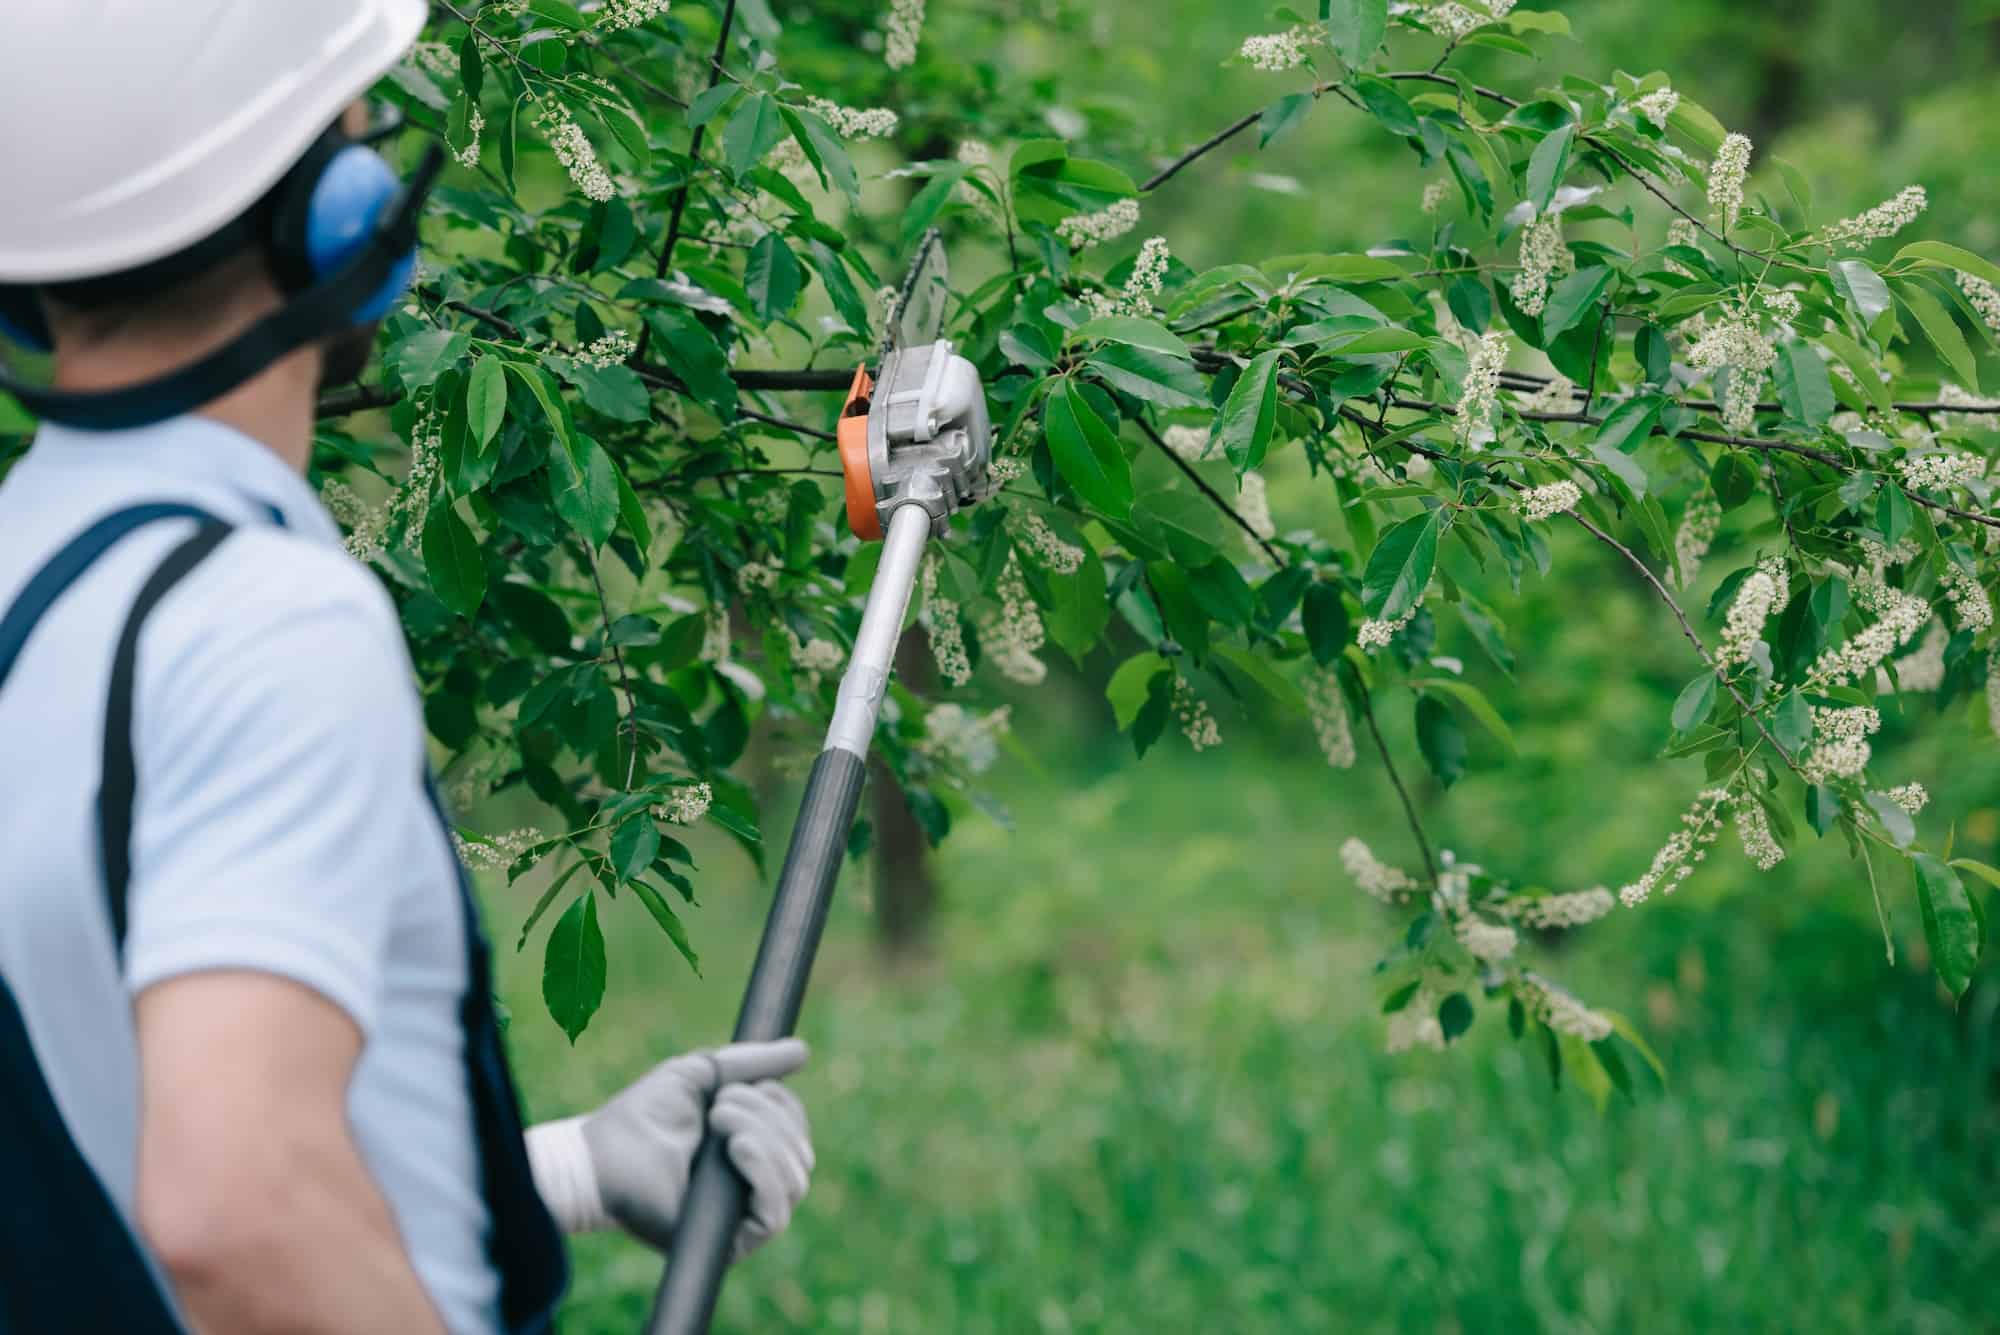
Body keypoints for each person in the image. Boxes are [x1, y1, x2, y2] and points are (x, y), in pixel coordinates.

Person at [0, 4, 815, 1332]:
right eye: (359, 129)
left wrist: (558, 1172)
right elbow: (231, 1203)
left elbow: (79, 1129)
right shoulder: (258, 620)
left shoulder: (34, 582)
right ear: (334, 215)